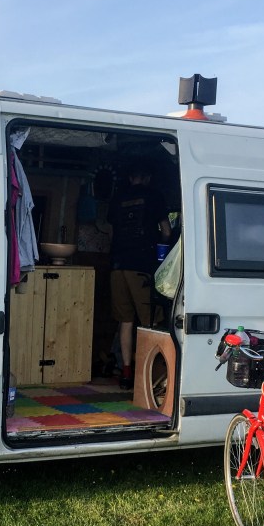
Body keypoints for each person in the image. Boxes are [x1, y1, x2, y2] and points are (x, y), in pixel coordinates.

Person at [108, 161, 171, 389]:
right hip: (141, 266)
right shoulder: (155, 196)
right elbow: (166, 231)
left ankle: (126, 372)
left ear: (130, 177)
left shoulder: (117, 198)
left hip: (117, 265)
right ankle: (148, 375)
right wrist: (162, 248)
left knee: (125, 320)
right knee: (150, 321)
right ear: (148, 178)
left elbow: (111, 232)